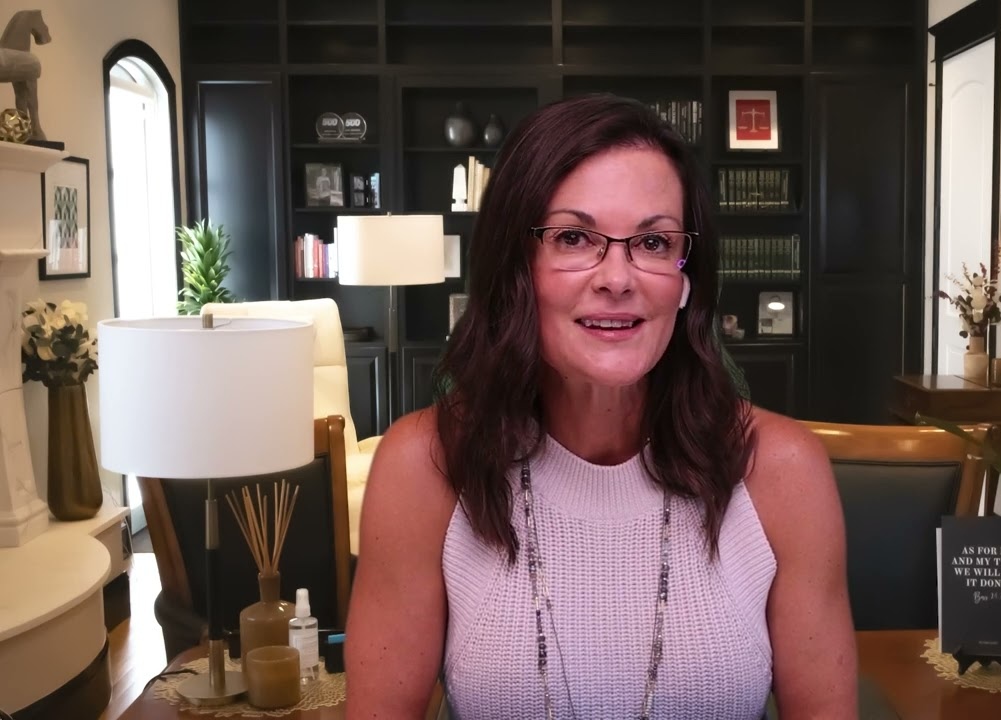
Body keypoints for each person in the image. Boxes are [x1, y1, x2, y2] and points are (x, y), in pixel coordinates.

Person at [346, 94, 858, 718]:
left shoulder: (783, 471)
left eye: (652, 242)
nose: (618, 277)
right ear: (517, 266)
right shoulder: (423, 467)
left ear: (685, 277)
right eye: (573, 236)